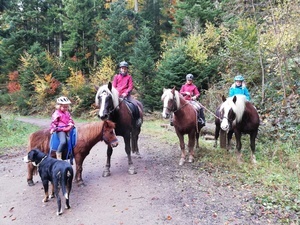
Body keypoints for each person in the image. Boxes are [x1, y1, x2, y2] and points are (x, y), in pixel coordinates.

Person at [112, 61, 142, 126]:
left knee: (135, 104)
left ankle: (138, 119)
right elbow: (113, 86)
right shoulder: (116, 77)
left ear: (127, 69)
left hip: (126, 96)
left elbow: (130, 86)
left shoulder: (129, 77)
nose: (123, 70)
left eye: (125, 68)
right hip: (117, 95)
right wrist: (115, 93)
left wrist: (125, 93)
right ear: (120, 69)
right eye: (122, 68)